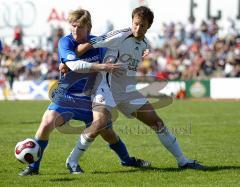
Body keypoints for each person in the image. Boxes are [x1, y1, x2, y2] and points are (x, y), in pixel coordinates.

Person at [67, 6, 204, 170]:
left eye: (142, 26)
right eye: (136, 24)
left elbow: (142, 48)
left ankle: (183, 161)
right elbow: (89, 44)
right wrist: (69, 61)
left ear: (148, 27)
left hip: (128, 91)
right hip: (106, 88)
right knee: (99, 124)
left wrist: (146, 50)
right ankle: (72, 161)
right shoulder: (118, 35)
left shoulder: (146, 43)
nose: (138, 28)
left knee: (157, 122)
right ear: (132, 22)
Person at [19, 8, 150, 176]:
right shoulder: (65, 42)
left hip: (90, 98)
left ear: (89, 27)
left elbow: (120, 52)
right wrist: (101, 66)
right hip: (66, 96)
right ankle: (33, 167)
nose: (75, 30)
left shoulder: (100, 43)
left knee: (108, 133)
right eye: (73, 26)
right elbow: (74, 64)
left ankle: (127, 160)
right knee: (46, 124)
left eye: (80, 27)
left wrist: (141, 51)